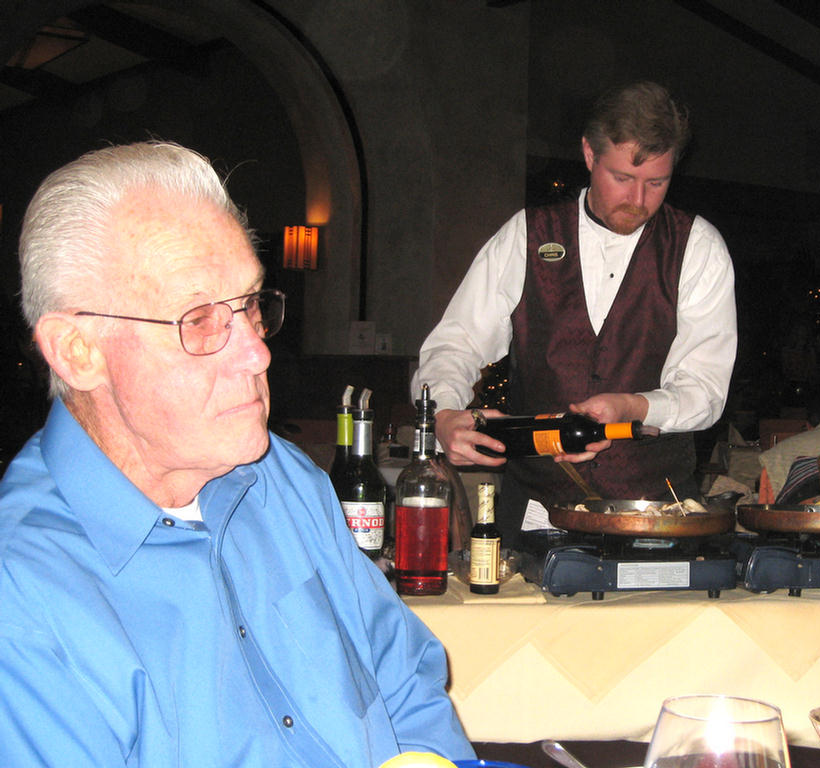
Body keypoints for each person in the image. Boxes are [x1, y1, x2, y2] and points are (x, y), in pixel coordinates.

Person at [0, 142, 473, 767]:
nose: (257, 354)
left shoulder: (282, 476)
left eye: (250, 305)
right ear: (77, 352)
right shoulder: (23, 598)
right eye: (198, 320)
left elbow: (405, 682)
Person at [412, 82, 737, 543]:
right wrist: (443, 412)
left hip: (657, 511)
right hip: (537, 511)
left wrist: (634, 406)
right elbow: (455, 342)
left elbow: (705, 389)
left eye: (657, 182)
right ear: (588, 154)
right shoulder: (527, 234)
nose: (639, 200)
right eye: (622, 178)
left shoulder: (698, 247)